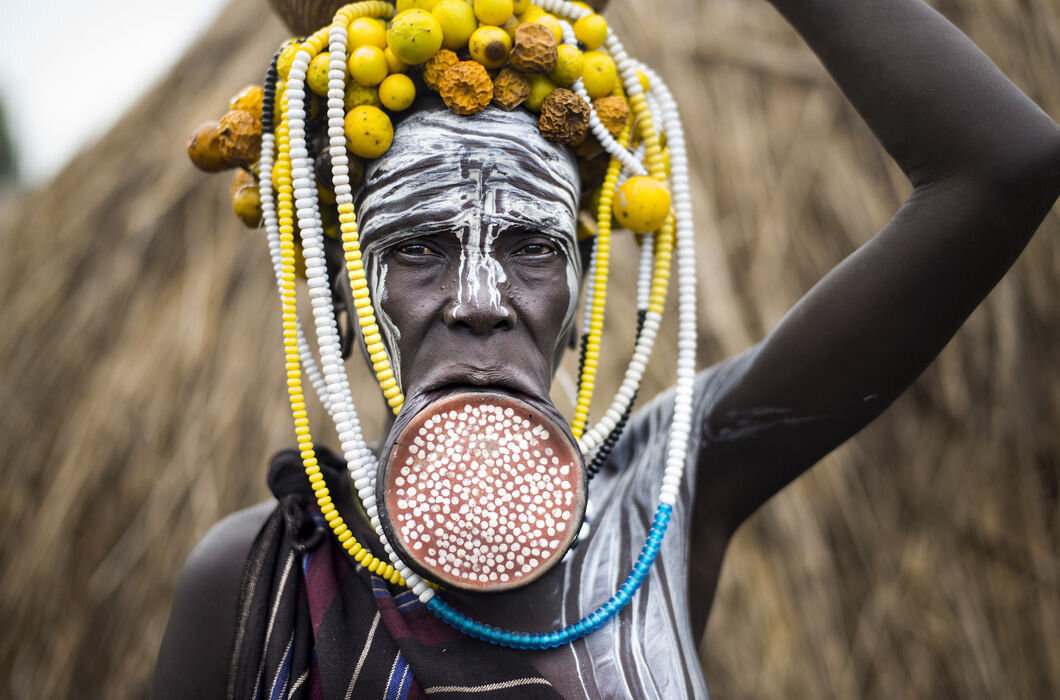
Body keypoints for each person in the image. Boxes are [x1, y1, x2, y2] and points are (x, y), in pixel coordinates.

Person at [154, 0, 1060, 697]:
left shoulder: (661, 504)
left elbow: (1004, 169)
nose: (481, 303)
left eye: (532, 248)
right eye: (420, 248)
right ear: (348, 295)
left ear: (583, 292)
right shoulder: (250, 584)